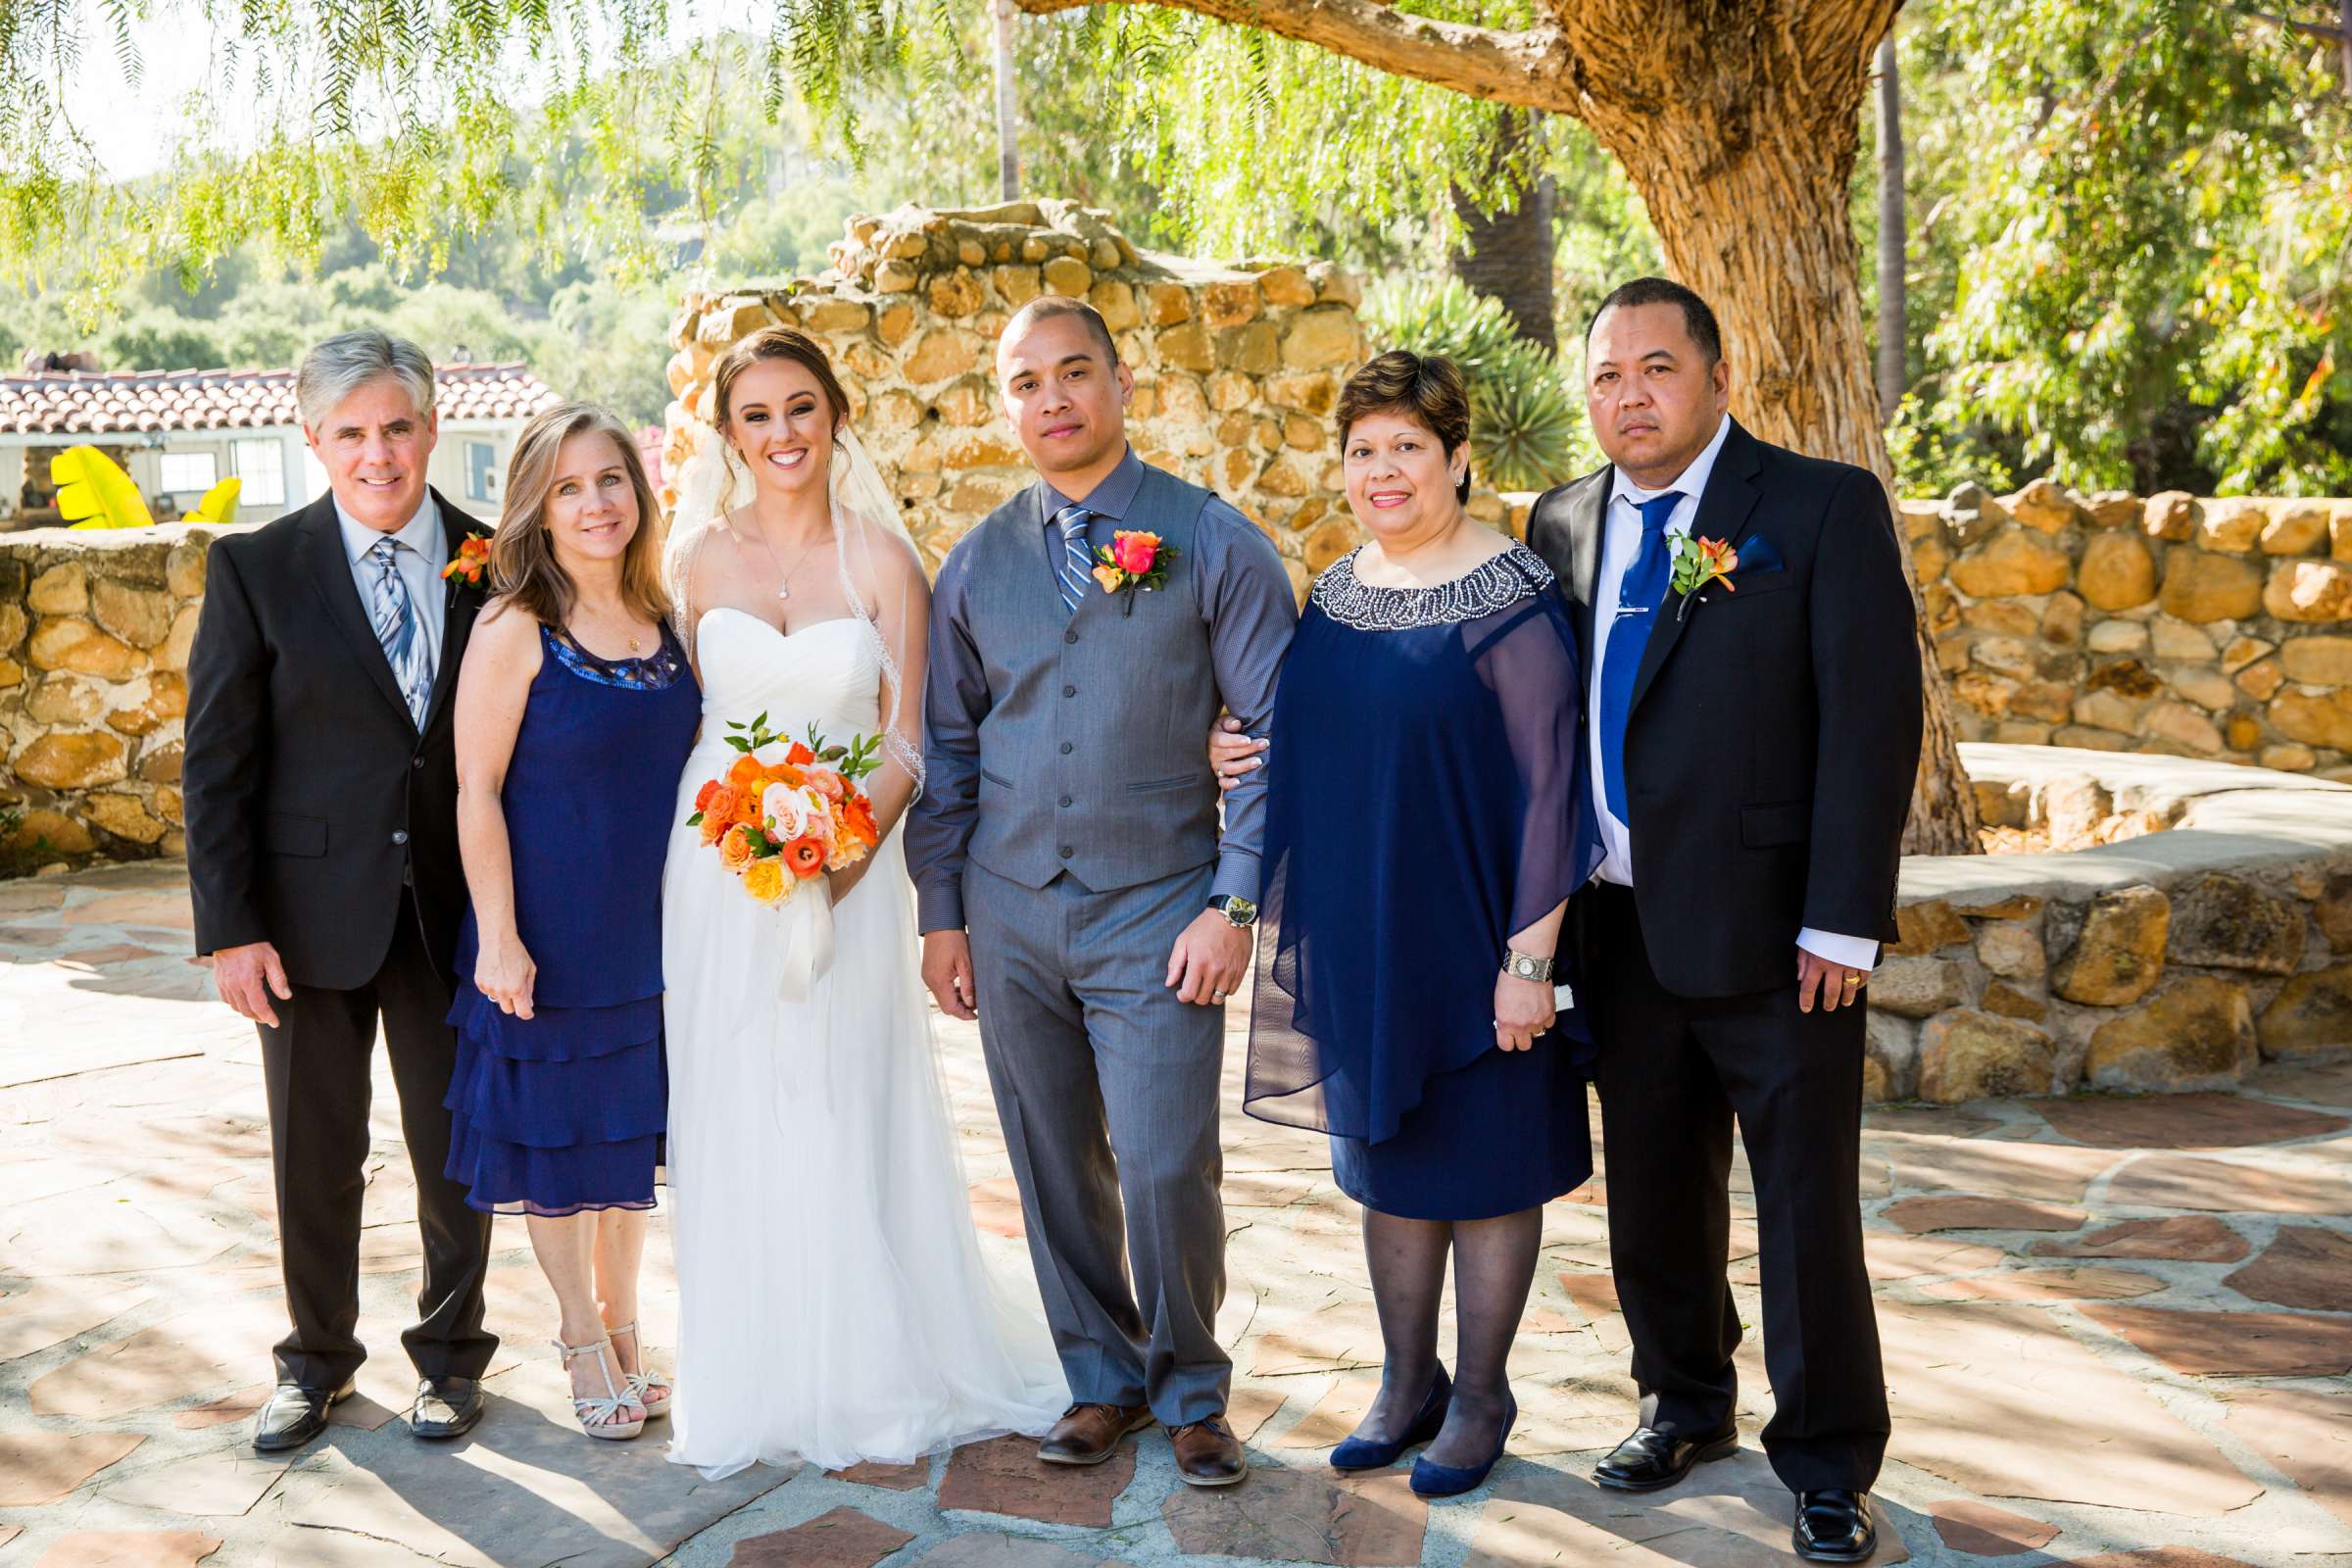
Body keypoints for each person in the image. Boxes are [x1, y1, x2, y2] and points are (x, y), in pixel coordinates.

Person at [1524, 278, 1920, 1563]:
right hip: (1618, 929)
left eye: (1655, 368)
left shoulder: (1817, 507)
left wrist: (1843, 924)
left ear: (1717, 377)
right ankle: (1682, 1403)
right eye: (1604, 375)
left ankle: (1825, 1458)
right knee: (1651, 1189)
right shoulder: (1561, 523)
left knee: (1806, 1205)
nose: (1628, 395)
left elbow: (1872, 721)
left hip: (1777, 936)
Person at [660, 325, 1066, 1476]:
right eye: (757, 415)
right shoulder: (691, 563)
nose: (781, 433)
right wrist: (752, 835)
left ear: (834, 414)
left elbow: (909, 739)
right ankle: (756, 1365)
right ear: (728, 433)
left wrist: (842, 848)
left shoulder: (884, 561)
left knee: (842, 1090)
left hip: (845, 868)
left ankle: (868, 1361)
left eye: (800, 407)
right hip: (715, 873)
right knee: (736, 1094)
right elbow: (681, 724)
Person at [904, 297, 1295, 1489]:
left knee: (1169, 1158)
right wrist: (941, 914)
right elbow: (951, 750)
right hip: (1009, 904)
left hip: (1161, 904)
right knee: (1048, 1155)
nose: (1054, 399)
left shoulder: (1213, 540)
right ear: (1004, 408)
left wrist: (1234, 904)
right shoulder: (976, 563)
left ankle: (1191, 1389)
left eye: (1076, 374)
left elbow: (1278, 734)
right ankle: (1102, 1378)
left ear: (1123, 386)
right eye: (1027, 383)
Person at [1241, 351, 1600, 1498]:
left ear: (1457, 459)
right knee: (1388, 1170)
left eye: (1406, 447)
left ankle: (1484, 1394)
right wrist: (1227, 750)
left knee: (1488, 1171)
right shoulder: (1337, 592)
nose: (1382, 470)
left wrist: (1527, 962)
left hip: (1479, 939)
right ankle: (1408, 1382)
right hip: (1365, 937)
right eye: (1362, 450)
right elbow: (1307, 739)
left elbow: (1554, 787)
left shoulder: (1514, 597)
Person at [183, 329, 497, 1453]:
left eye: (398, 427)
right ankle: (315, 1361)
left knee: (456, 1146)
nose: (379, 454)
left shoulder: (499, 560)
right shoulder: (256, 569)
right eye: (352, 432)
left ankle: (453, 1360)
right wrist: (230, 930)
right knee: (313, 1149)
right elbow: (217, 763)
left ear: (432, 426)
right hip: (306, 921)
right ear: (312, 437)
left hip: (457, 915)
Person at [445, 401, 701, 1441]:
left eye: (612, 479)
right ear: (537, 509)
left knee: (624, 1152)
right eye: (569, 487)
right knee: (558, 1153)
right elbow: (475, 788)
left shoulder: (667, 618)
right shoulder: (516, 623)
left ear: (638, 492)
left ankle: (629, 1324)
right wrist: (500, 936)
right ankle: (579, 1337)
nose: (597, 503)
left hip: (651, 936)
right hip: (543, 935)